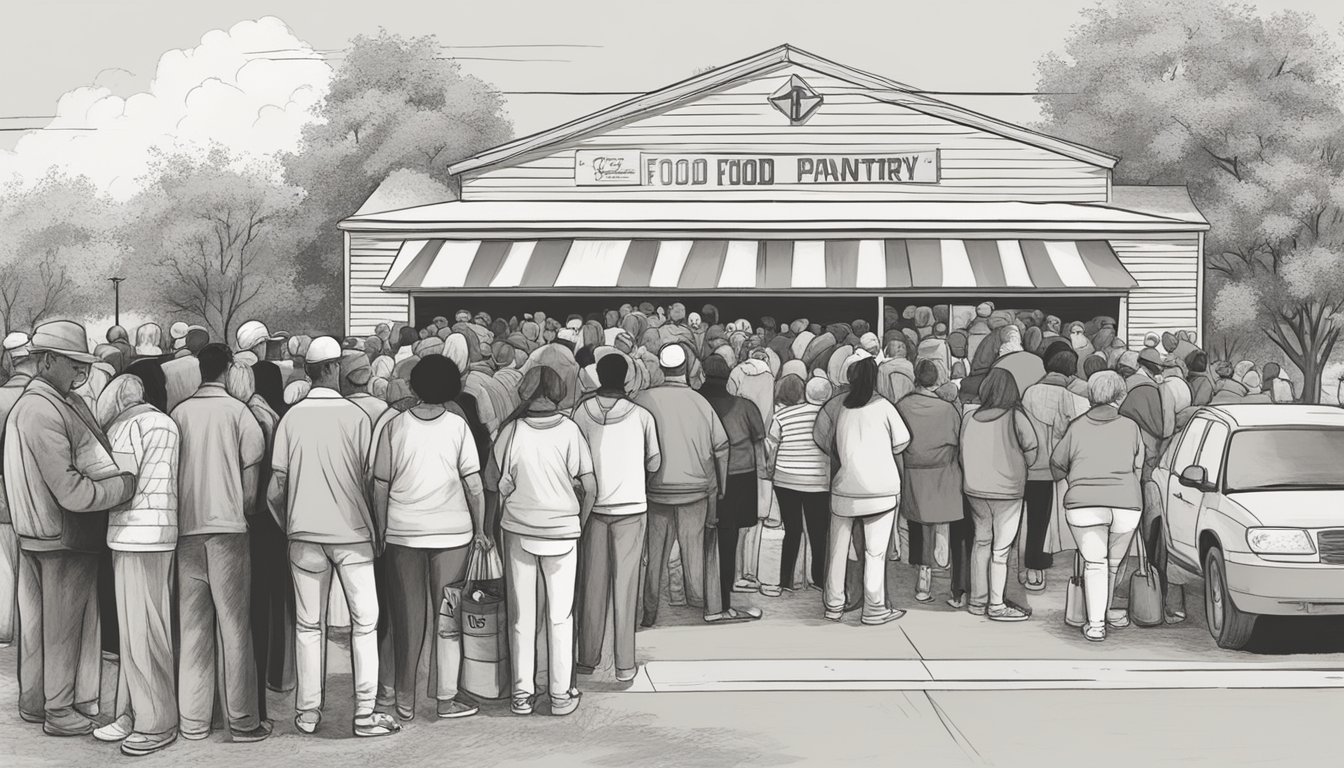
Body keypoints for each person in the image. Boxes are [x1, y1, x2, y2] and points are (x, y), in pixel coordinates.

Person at [5, 321, 136, 737]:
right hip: (64, 535)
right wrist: (124, 484)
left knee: (38, 627)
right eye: (73, 363)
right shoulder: (45, 408)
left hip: (39, 533)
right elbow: (72, 492)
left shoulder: (44, 403)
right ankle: (59, 710)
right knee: (63, 629)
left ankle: (36, 702)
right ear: (47, 361)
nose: (80, 372)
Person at [268, 336, 401, 738]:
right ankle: (364, 714)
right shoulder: (358, 417)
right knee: (365, 623)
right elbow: (370, 479)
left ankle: (308, 713)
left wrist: (287, 522)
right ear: (331, 369)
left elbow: (276, 486)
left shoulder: (291, 418)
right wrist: (378, 531)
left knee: (309, 626)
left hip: (303, 534)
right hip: (354, 533)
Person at [372, 355, 488, 720]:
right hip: (453, 533)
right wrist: (481, 528)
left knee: (406, 620)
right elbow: (474, 486)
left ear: (415, 385)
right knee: (447, 619)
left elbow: (380, 484)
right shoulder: (458, 427)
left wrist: (380, 529)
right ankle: (444, 696)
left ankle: (402, 699)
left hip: (403, 533)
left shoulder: (395, 426)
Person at [170, 343, 271, 743]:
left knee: (192, 627)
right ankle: (243, 721)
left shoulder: (177, 414)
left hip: (186, 531)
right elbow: (250, 490)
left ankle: (193, 721)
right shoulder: (240, 413)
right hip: (228, 529)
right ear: (229, 369)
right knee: (234, 627)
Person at [493, 366, 595, 717]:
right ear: (557, 392)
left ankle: (521, 695)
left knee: (523, 616)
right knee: (560, 616)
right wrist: (578, 521)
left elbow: (497, 484)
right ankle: (559, 695)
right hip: (563, 531)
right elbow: (590, 485)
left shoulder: (510, 431)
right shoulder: (570, 430)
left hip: (519, 529)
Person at [93, 375, 181, 755]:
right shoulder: (166, 423)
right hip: (163, 533)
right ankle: (130, 713)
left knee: (140, 634)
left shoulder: (126, 427)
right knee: (149, 629)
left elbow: (122, 483)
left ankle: (155, 722)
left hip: (132, 536)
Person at [572, 354, 661, 682]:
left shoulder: (581, 412)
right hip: (631, 509)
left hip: (593, 511)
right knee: (625, 587)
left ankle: (587, 658)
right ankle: (624, 664)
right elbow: (654, 462)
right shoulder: (641, 416)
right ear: (625, 378)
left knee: (592, 585)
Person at [633, 343, 728, 628]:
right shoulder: (700, 402)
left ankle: (649, 612)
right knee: (696, 548)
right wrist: (720, 487)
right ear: (686, 368)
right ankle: (699, 603)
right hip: (695, 489)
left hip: (654, 489)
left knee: (653, 554)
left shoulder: (642, 399)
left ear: (662, 368)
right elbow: (721, 447)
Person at [1050, 371, 1146, 642]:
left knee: (1094, 564)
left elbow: (1057, 464)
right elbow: (1138, 465)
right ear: (1119, 395)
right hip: (1126, 505)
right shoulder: (1131, 427)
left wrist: (1074, 480)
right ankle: (1106, 611)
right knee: (1113, 564)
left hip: (1084, 505)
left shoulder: (1077, 427)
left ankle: (1095, 625)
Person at [225, 362, 294, 701]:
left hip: (252, 518)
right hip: (274, 519)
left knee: (251, 602)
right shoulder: (270, 415)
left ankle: (252, 677)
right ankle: (279, 674)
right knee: (275, 598)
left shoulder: (244, 416)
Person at [825, 352, 908, 626]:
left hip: (844, 489)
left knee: (838, 551)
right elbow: (901, 444)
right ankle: (874, 609)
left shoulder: (843, 409)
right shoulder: (884, 407)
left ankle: (833, 605)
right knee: (875, 552)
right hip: (880, 490)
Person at [960, 368, 1038, 622]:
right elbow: (1032, 450)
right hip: (1008, 490)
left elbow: (962, 455)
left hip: (975, 489)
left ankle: (977, 600)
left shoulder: (970, 418)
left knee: (981, 543)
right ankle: (996, 604)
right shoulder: (1016, 416)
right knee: (1001, 550)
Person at [698, 356, 766, 623]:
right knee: (729, 541)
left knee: (701, 539)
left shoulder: (696, 403)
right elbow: (760, 448)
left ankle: (705, 597)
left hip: (702, 477)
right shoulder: (745, 406)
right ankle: (722, 601)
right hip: (739, 478)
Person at [1018, 348, 1088, 592]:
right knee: (1050, 519)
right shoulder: (1072, 398)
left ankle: (1031, 568)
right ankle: (1044, 565)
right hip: (1060, 468)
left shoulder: (1029, 393)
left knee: (1030, 520)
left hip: (1029, 464)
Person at [895, 360, 964, 604]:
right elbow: (959, 442)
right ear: (936, 380)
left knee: (919, 525)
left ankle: (923, 578)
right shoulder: (947, 409)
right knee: (944, 520)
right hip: (944, 472)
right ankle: (942, 561)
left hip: (914, 472)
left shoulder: (902, 406)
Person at [765, 374, 831, 592]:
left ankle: (786, 580)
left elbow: (771, 447)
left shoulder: (782, 415)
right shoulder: (825, 415)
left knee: (792, 530)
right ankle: (819, 579)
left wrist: (770, 470)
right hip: (818, 481)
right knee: (818, 531)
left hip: (786, 480)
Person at [0, 332, 36, 651]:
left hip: (2, 492)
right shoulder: (43, 396)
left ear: (9, 359)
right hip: (39, 493)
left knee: (4, 561)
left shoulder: (1, 397)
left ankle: (3, 628)